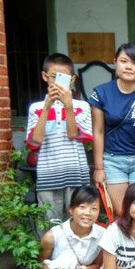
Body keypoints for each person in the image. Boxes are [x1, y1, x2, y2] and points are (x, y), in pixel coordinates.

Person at [89, 43, 135, 216]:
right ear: (115, 62)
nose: (129, 67)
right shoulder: (101, 93)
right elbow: (98, 132)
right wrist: (98, 168)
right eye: (124, 61)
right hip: (113, 160)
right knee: (122, 212)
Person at [26, 53, 92, 225]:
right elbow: (35, 141)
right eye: (53, 77)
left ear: (72, 79)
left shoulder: (82, 107)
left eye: (63, 78)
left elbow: (73, 134)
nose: (57, 82)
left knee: (78, 221)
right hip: (48, 174)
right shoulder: (36, 108)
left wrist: (68, 105)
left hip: (76, 173)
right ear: (44, 76)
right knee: (49, 222)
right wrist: (47, 107)